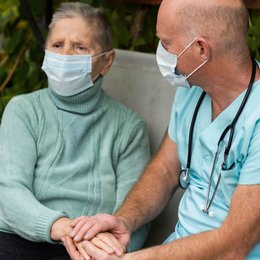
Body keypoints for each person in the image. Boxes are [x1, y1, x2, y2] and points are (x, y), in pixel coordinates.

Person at [61, 0, 260, 259]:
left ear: (201, 49)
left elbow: (234, 245)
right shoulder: (193, 90)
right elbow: (165, 170)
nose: (162, 52)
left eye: (166, 43)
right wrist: (124, 220)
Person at [0, 2, 150, 259]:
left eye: (80, 47)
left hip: (91, 250)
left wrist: (109, 250)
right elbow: (9, 192)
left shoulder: (129, 128)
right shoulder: (23, 110)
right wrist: (60, 228)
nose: (65, 55)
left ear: (107, 61)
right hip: (18, 239)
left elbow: (135, 215)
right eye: (57, 45)